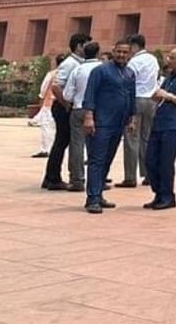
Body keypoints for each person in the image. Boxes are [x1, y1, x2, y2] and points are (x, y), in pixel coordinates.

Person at [81, 40, 137, 214]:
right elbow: (90, 94)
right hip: (102, 122)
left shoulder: (129, 73)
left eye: (125, 52)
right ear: (113, 51)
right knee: (96, 160)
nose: (121, 55)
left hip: (119, 123)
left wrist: (132, 118)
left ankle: (99, 193)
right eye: (118, 51)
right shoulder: (100, 70)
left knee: (107, 160)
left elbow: (131, 96)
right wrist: (89, 117)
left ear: (130, 54)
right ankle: (93, 198)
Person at [145, 48, 176, 210]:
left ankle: (167, 196)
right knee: (150, 160)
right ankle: (158, 193)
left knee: (166, 162)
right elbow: (161, 94)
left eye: (172, 58)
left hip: (172, 125)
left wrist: (169, 97)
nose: (169, 60)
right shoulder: (170, 77)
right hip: (158, 122)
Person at [43, 33, 91, 191]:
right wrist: (66, 104)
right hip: (63, 107)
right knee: (61, 142)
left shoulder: (78, 62)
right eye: (87, 44)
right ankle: (53, 178)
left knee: (62, 142)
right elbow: (56, 86)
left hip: (66, 106)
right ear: (79, 46)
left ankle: (51, 177)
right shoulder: (70, 63)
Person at [63, 42, 102, 193]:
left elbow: (67, 94)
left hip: (79, 108)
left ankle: (77, 179)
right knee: (99, 146)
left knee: (77, 145)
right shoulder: (104, 69)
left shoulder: (78, 69)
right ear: (98, 53)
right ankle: (99, 179)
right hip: (99, 110)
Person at [127, 34, 160, 186]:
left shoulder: (134, 61)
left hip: (137, 99)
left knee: (131, 138)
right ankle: (148, 174)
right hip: (151, 99)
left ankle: (130, 177)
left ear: (134, 46)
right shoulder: (153, 59)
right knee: (146, 138)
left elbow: (128, 81)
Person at [30, 55, 64, 158]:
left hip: (49, 103)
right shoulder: (67, 73)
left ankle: (46, 149)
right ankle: (53, 149)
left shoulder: (52, 74)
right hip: (62, 104)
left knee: (46, 127)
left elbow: (44, 88)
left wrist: (41, 99)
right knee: (57, 128)